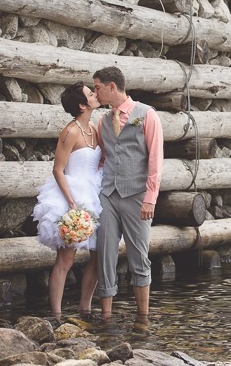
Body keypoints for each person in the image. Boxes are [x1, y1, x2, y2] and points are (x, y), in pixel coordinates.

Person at [92, 66, 163, 318]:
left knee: (139, 256)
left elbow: (155, 161)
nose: (95, 93)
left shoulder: (147, 115)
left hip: (137, 197)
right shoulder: (102, 121)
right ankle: (106, 318)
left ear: (112, 87)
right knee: (105, 253)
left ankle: (143, 318)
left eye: (97, 88)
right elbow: (102, 159)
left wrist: (150, 199)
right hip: (108, 195)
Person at [32, 82, 103, 317]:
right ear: (82, 105)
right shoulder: (70, 131)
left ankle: (85, 307)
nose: (95, 95)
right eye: (90, 94)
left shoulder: (94, 127)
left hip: (94, 194)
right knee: (66, 259)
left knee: (97, 255)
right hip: (71, 195)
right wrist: (71, 202)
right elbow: (58, 169)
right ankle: (57, 315)